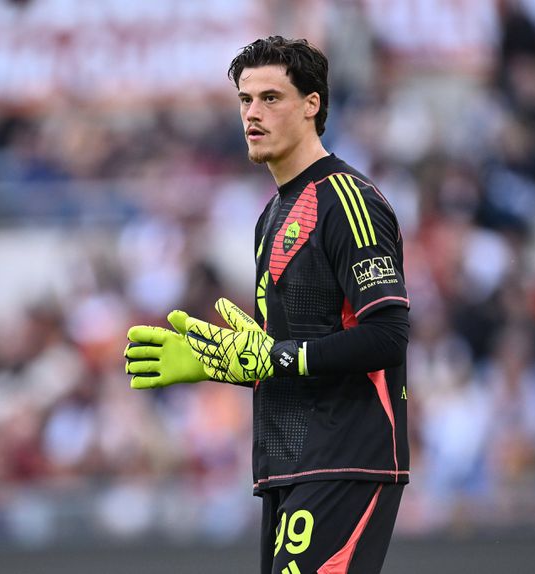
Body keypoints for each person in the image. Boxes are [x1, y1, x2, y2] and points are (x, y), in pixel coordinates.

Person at [125, 36, 410, 574]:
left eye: (270, 98)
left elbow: (388, 336)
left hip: (345, 456)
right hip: (285, 465)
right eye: (245, 99)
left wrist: (277, 356)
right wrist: (224, 363)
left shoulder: (349, 201)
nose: (252, 113)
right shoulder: (271, 215)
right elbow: (288, 352)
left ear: (311, 104)